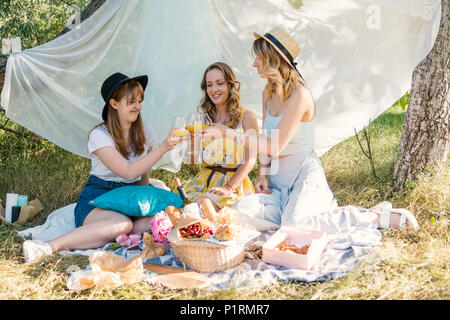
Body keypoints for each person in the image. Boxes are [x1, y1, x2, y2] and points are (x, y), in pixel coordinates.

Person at [205, 27, 419, 232]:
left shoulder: (301, 95)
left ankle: (375, 215)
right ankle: (313, 214)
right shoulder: (267, 93)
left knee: (294, 225)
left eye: (259, 58)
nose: (254, 64)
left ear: (273, 60)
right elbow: (265, 140)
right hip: (278, 182)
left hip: (303, 175)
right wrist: (263, 175)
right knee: (239, 212)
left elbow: (276, 146)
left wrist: (229, 134)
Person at [22, 72, 185, 263]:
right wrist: (164, 147)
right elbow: (128, 171)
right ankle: (47, 247)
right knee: (121, 224)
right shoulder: (99, 135)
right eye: (131, 101)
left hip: (132, 194)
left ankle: (118, 231)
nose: (138, 106)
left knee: (166, 217)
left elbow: (142, 173)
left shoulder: (146, 131)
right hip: (100, 195)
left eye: (140, 100)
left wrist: (145, 197)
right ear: (114, 104)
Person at [183, 62, 259, 212]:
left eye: (220, 83)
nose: (214, 89)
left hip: (233, 184)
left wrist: (228, 187)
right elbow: (192, 161)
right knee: (181, 208)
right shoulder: (204, 119)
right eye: (209, 85)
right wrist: (191, 146)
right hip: (204, 181)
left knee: (196, 211)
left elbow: (250, 160)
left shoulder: (246, 117)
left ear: (230, 85)